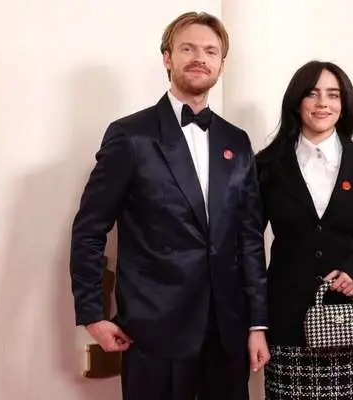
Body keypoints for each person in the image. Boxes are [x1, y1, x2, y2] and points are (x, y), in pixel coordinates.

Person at [69, 11, 270, 400]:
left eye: (210, 51)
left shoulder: (237, 141)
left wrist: (257, 323)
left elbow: (249, 239)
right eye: (188, 49)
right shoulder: (130, 136)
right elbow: (90, 230)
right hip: (154, 333)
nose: (200, 58)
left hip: (227, 333)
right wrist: (93, 314)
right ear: (167, 57)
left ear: (221, 64)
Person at [256, 60, 353, 399]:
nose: (322, 104)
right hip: (286, 322)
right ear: (297, 101)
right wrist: (255, 323)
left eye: (333, 95)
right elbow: (249, 242)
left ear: (344, 105)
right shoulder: (267, 166)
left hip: (352, 320)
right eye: (312, 94)